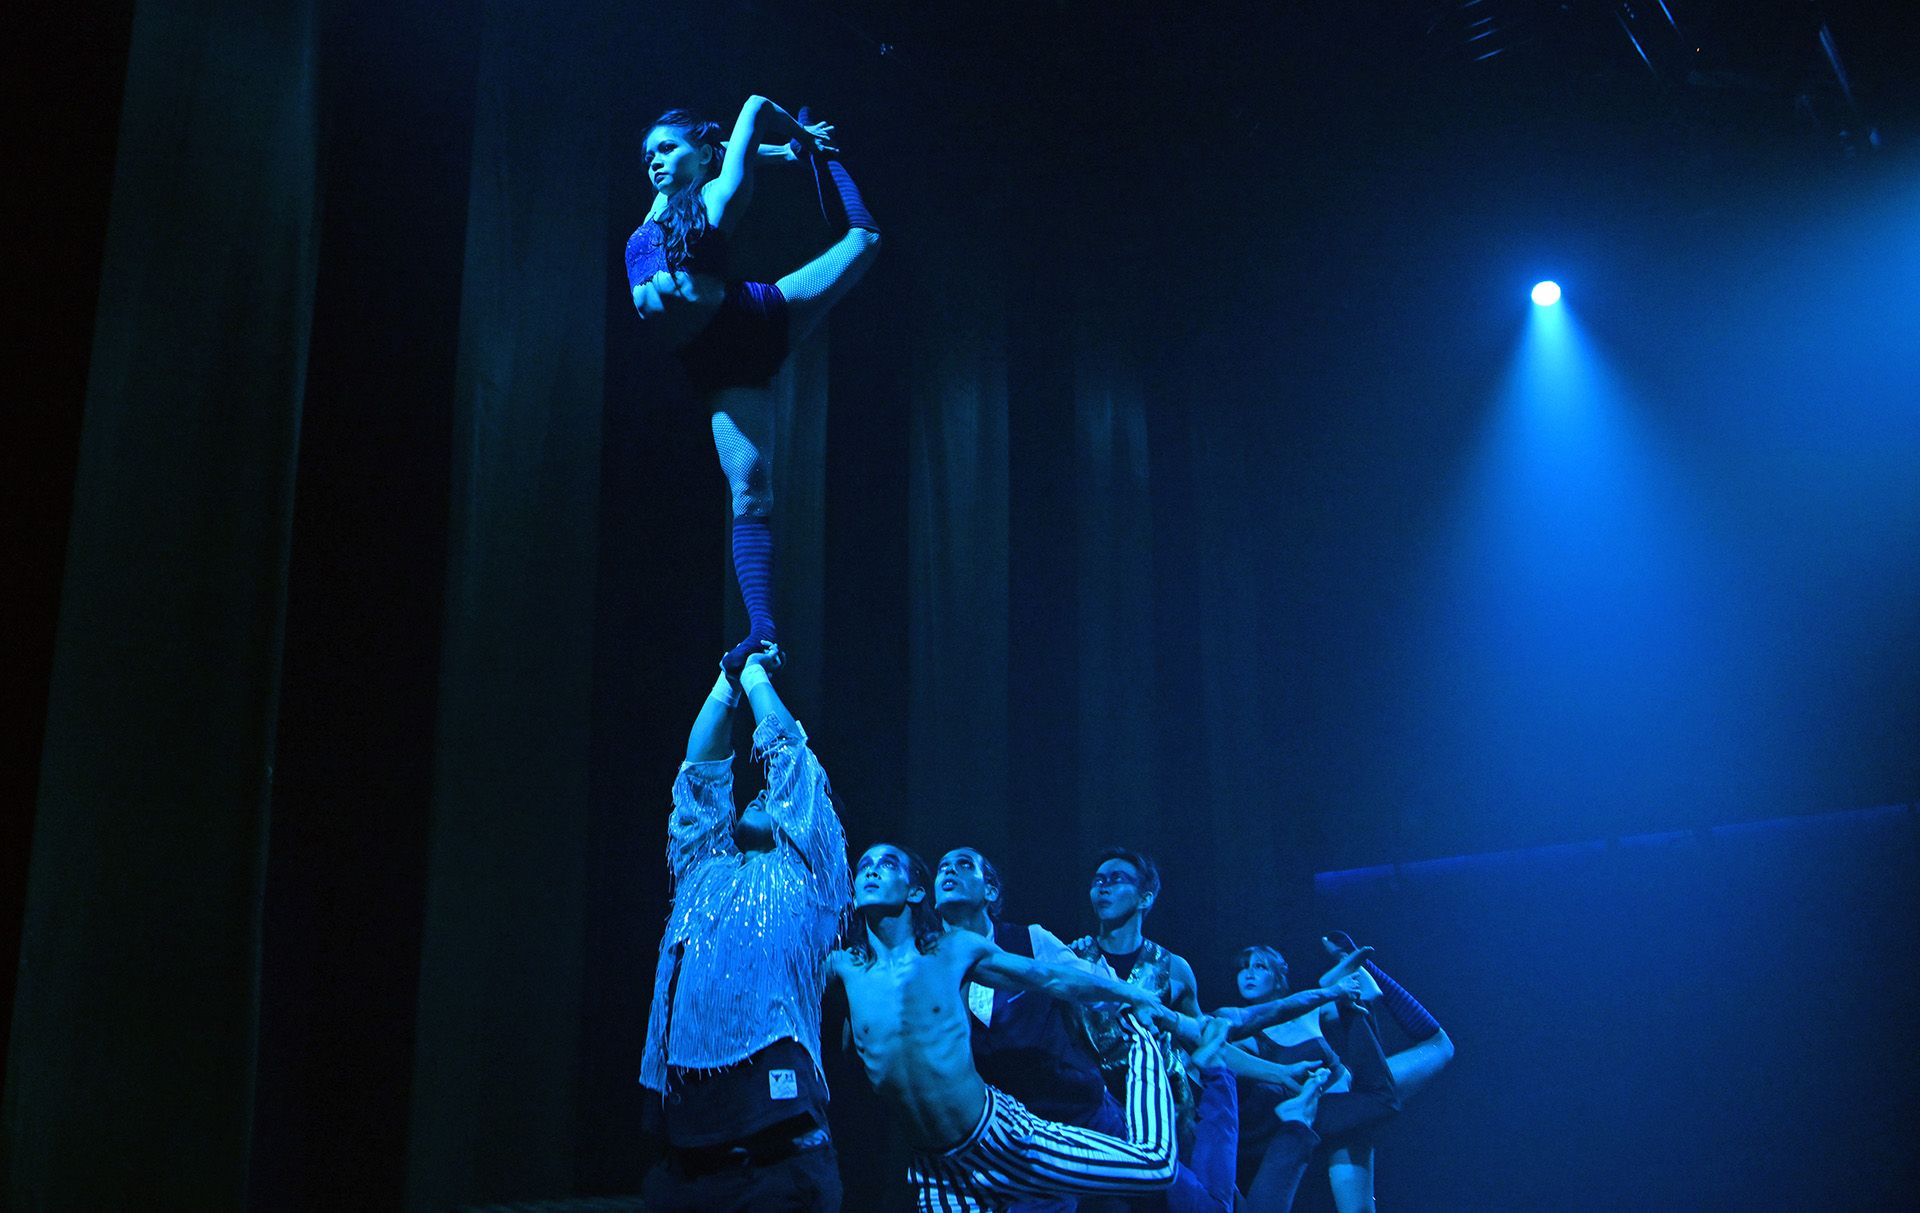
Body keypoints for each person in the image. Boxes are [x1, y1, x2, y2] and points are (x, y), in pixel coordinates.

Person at [626, 98, 881, 671]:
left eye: (667, 149)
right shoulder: (660, 205)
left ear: (703, 156)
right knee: (749, 489)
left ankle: (830, 160)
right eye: (648, 156)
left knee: (864, 241)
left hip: (754, 321)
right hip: (716, 364)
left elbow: (756, 105)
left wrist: (804, 139)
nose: (655, 162)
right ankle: (762, 633)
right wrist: (787, 153)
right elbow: (724, 147)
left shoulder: (719, 197)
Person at [828, 842, 1181, 1212]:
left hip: (1004, 1136)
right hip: (938, 1169)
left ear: (916, 891)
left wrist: (1133, 996)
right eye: (864, 865)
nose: (871, 870)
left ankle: (1142, 1039)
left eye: (887, 863)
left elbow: (1052, 977)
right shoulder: (844, 968)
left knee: (1155, 1167)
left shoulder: (953, 950)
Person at [639, 644, 850, 1211]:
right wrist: (726, 685)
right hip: (685, 1159)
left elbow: (792, 761)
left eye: (772, 796)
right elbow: (700, 779)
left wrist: (757, 678)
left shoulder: (810, 876)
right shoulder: (703, 871)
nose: (760, 793)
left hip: (774, 1161)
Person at [1065, 849, 1355, 1213]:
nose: (1103, 887)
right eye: (1098, 881)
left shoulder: (1173, 969)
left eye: (1116, 879)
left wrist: (1278, 1072)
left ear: (1145, 897)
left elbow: (1208, 1039)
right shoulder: (1072, 960)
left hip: (1170, 1115)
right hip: (1100, 1117)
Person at [1230, 935, 1443, 1213]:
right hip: (1325, 1116)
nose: (1248, 974)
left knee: (1439, 1047)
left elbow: (1371, 993)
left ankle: (1343, 980)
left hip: (1354, 1098)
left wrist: (1350, 960)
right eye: (1243, 968)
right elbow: (1222, 1055)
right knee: (1384, 1097)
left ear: (1279, 975)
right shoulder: (1243, 1034)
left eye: (1259, 966)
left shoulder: (1308, 1011)